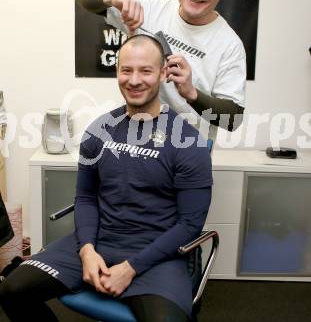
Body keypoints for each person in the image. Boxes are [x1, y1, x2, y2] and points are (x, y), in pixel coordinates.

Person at [0, 34, 212, 322]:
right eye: (126, 70)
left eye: (146, 70)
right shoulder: (99, 130)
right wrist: (87, 250)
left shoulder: (188, 141)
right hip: (99, 240)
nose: (134, 80)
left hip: (157, 253)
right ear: (117, 72)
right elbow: (86, 198)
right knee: (13, 289)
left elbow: (190, 224)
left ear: (163, 74)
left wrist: (131, 267)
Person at [76, 0, 246, 140]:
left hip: (187, 152)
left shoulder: (229, 45)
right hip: (136, 141)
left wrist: (191, 93)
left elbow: (233, 120)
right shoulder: (150, 7)